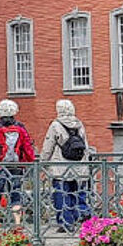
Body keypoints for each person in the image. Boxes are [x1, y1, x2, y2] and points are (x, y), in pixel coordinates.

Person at [41, 99, 92, 231]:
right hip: (78, 167)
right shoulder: (79, 124)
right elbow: (85, 146)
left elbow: (48, 146)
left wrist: (42, 162)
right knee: (75, 192)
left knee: (61, 194)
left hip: (60, 167)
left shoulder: (55, 125)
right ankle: (80, 214)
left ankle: (66, 223)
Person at [0, 99, 35, 226]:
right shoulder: (20, 128)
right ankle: (17, 224)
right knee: (15, 192)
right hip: (16, 165)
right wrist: (30, 161)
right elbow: (27, 147)